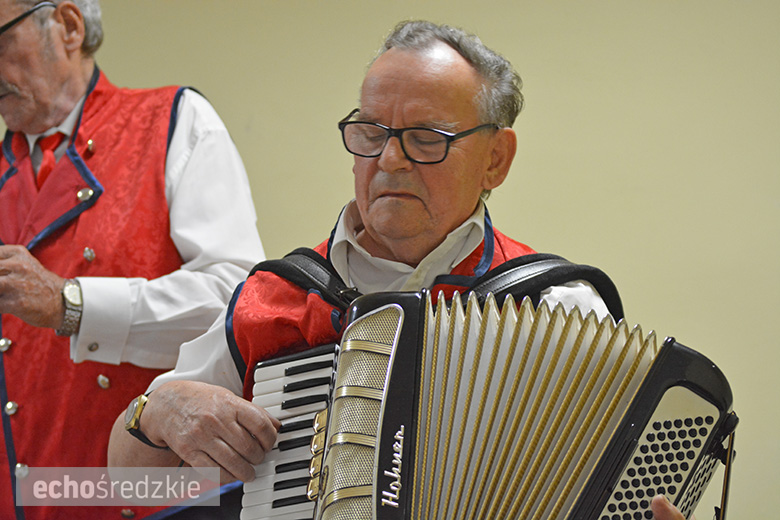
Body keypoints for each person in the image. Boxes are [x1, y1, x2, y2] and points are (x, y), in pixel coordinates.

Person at [107, 20, 689, 520]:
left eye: (424, 139)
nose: (389, 159)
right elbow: (128, 484)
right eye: (371, 133)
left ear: (496, 159)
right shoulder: (274, 298)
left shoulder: (558, 307)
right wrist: (154, 411)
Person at [0, 1, 264, 519]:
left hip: (135, 491)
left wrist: (69, 304)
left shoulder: (173, 122)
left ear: (69, 26)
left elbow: (233, 302)